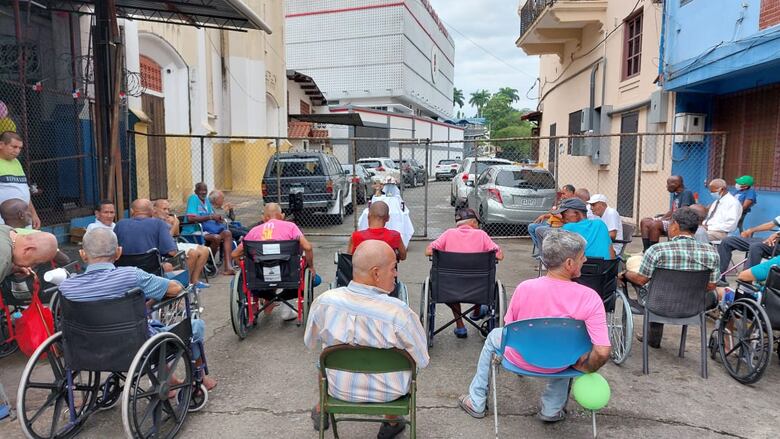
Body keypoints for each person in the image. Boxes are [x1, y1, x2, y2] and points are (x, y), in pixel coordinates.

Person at [457, 231, 610, 423]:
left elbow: (509, 328)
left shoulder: (524, 288)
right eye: (582, 257)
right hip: (563, 363)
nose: (585, 259)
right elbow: (602, 352)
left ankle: (477, 401)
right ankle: (551, 409)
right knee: (568, 346)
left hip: (520, 358)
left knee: (494, 336)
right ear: (570, 263)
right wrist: (585, 366)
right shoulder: (590, 298)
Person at [58, 228, 216, 390]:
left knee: (149, 327)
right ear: (118, 252)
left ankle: (169, 378)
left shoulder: (67, 287)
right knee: (195, 325)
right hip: (134, 348)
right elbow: (176, 289)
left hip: (85, 350)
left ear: (83, 254)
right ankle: (199, 377)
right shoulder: (132, 276)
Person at [304, 240, 429, 438]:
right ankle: (391, 419)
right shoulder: (399, 313)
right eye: (393, 268)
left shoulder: (325, 302)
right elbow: (422, 359)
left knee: (323, 358)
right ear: (376, 273)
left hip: (339, 389)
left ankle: (322, 407)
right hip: (391, 393)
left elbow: (309, 341)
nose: (396, 274)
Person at [620, 207, 720, 348]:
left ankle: (653, 335)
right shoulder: (712, 253)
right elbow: (711, 286)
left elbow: (641, 280)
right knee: (659, 288)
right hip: (692, 307)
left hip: (657, 304)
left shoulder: (657, 250)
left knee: (647, 283)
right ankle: (653, 336)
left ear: (675, 226)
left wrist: (625, 274)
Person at [425, 208, 504, 338]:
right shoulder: (481, 235)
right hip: (479, 287)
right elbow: (499, 256)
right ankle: (477, 310)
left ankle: (460, 325)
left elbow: (428, 251)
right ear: (473, 222)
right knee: (482, 278)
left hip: (448, 288)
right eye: (477, 223)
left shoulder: (448, 234)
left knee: (448, 282)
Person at [232, 203, 315, 321]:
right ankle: (285, 303)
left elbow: (234, 254)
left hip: (259, 277)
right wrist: (311, 266)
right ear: (282, 215)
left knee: (246, 278)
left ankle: (266, 299)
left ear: (264, 218)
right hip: (288, 275)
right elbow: (308, 247)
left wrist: (245, 268)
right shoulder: (291, 227)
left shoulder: (254, 231)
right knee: (314, 279)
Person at [152, 199, 210, 288]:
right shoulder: (153, 221)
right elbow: (167, 239)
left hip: (174, 242)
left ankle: (194, 281)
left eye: (168, 209)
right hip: (166, 247)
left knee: (205, 250)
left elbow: (176, 235)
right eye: (164, 209)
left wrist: (172, 223)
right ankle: (186, 284)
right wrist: (175, 223)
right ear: (155, 209)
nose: (167, 212)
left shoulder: (166, 220)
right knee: (192, 253)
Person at [0, 198, 69, 266]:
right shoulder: (35, 236)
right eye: (27, 210)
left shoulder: (3, 231)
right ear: (21, 215)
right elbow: (64, 260)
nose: (30, 213)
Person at [185, 182, 233, 275]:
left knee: (227, 233)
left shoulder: (206, 201)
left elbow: (212, 214)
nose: (203, 192)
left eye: (205, 190)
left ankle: (228, 267)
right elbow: (191, 218)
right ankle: (210, 262)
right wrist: (210, 217)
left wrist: (217, 218)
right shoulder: (193, 198)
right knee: (216, 238)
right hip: (194, 230)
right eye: (201, 190)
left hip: (208, 230)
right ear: (196, 191)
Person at [716, 214, 780, 284]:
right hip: (771, 240)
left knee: (756, 247)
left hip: (777, 243)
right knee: (728, 241)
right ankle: (718, 277)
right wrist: (750, 230)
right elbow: (770, 224)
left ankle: (746, 282)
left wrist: (777, 235)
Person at [114, 199, 178, 269]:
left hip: (124, 272)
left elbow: (113, 251)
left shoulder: (120, 224)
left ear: (132, 211)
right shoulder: (159, 224)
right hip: (151, 274)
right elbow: (172, 252)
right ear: (152, 211)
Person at [639, 176, 695, 250]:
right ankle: (645, 250)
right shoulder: (676, 194)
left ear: (676, 184)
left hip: (679, 223)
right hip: (672, 219)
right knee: (644, 221)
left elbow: (682, 212)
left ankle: (653, 250)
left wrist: (663, 220)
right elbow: (672, 210)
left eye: (668, 184)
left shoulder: (686, 193)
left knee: (655, 224)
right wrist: (662, 218)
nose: (667, 186)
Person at [0, 131, 40, 228]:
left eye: (20, 148)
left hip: (23, 218)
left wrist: (34, 214)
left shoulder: (16, 162)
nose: (17, 151)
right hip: (4, 221)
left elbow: (24, 191)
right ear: (1, 145)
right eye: (14, 147)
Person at [529, 184, 575, 251]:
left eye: (564, 193)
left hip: (556, 225)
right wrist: (544, 215)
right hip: (549, 223)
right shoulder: (563, 202)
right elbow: (554, 213)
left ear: (571, 193)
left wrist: (555, 213)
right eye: (561, 193)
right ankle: (541, 249)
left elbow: (565, 218)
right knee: (531, 226)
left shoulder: (573, 204)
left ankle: (544, 251)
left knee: (538, 229)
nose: (562, 195)